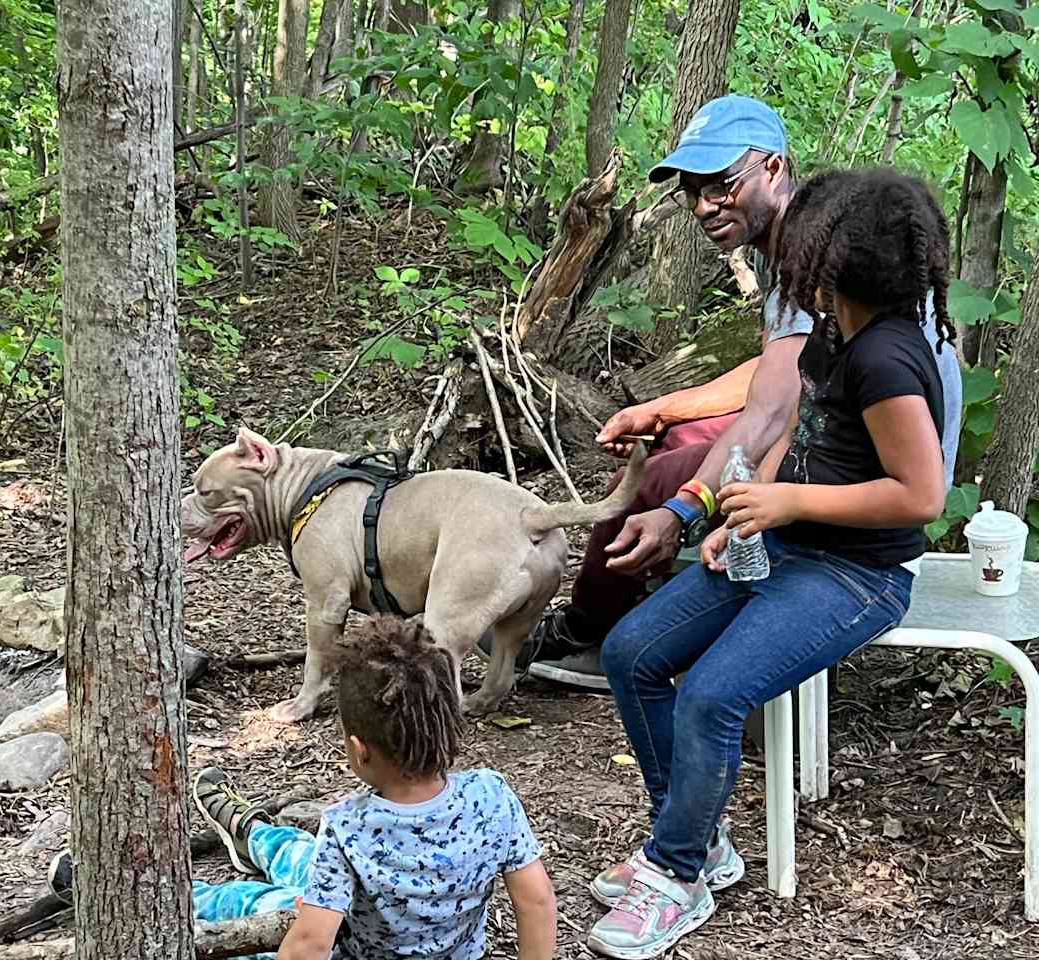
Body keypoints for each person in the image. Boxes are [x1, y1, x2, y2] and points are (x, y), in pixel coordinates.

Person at [586, 167, 953, 958]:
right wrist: (739, 508)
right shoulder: (834, 328)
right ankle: (697, 839)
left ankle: (675, 874)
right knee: (632, 653)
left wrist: (790, 507)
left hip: (858, 576)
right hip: (788, 544)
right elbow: (797, 432)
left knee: (713, 695)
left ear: (836, 258)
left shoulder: (888, 357)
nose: (785, 257)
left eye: (802, 245)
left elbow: (921, 495)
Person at [507, 95, 962, 690]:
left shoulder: (828, 257)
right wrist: (664, 410)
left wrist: (686, 508)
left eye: (722, 183)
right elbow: (782, 373)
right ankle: (633, 626)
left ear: (773, 168)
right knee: (676, 442)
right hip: (832, 439)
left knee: (660, 479)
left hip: (871, 474)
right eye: (692, 190)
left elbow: (775, 411)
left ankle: (594, 632)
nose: (705, 204)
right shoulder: (794, 245)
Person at [49, 614, 557, 960]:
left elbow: (311, 945)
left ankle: (139, 894)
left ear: (359, 749)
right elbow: (534, 901)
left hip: (348, 941)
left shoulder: (349, 827)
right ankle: (247, 831)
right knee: (304, 855)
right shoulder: (493, 796)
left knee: (254, 903)